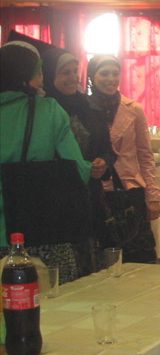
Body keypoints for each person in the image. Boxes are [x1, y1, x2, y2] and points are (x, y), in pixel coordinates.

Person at [0, 42, 92, 282]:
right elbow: (78, 170)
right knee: (56, 297)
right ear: (24, 77)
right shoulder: (49, 110)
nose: (42, 81)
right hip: (43, 228)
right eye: (39, 73)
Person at [42, 47, 116, 276]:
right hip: (57, 198)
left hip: (90, 196)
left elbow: (108, 149)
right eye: (65, 72)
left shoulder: (90, 108)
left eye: (75, 71)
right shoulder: (43, 110)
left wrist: (103, 162)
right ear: (49, 75)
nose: (73, 77)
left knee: (92, 262)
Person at [87, 55, 160, 263]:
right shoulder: (84, 109)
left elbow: (145, 155)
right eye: (104, 73)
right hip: (97, 189)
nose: (110, 79)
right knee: (102, 258)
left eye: (115, 74)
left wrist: (153, 196)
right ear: (92, 76)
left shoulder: (133, 109)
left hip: (129, 189)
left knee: (137, 258)